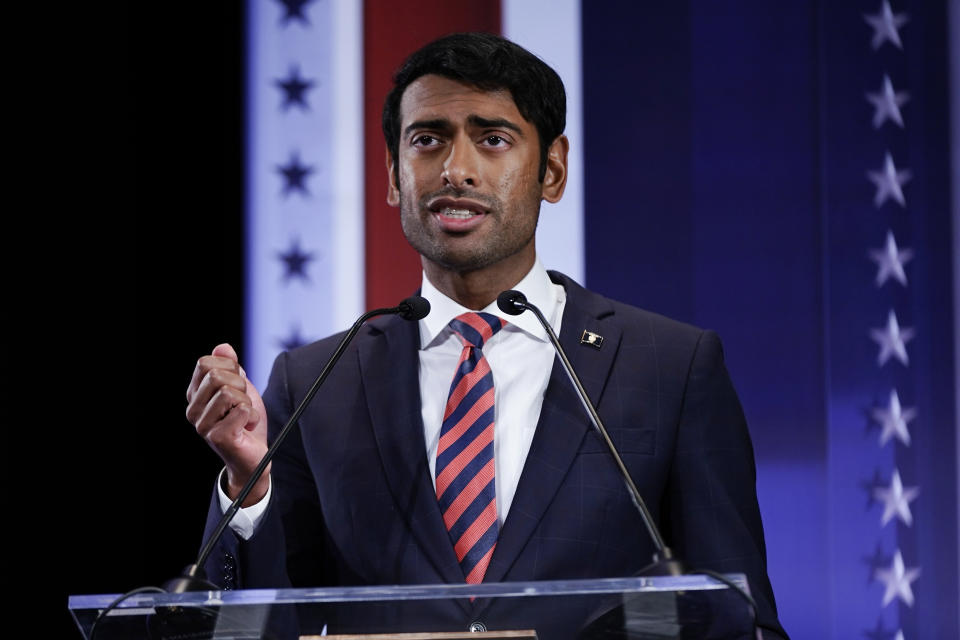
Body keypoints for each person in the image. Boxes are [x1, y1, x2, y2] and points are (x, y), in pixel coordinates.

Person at [186, 33, 788, 639]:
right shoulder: (315, 382)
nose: (456, 169)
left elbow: (740, 618)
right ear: (395, 174)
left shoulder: (669, 367)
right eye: (428, 140)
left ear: (551, 171)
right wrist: (249, 487)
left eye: (493, 139)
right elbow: (252, 623)